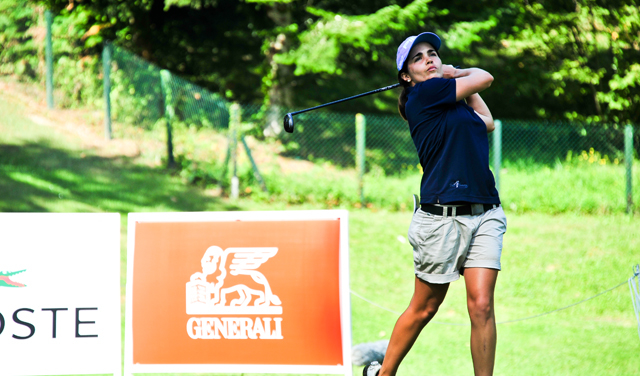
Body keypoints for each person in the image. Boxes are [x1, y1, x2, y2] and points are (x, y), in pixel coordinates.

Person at [364, 32, 507, 376]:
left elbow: (486, 122)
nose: (429, 59)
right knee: (425, 308)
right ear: (406, 77)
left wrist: (456, 79)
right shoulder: (423, 95)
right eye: (418, 58)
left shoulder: (451, 104)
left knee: (482, 305)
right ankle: (383, 373)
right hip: (441, 220)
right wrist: (455, 73)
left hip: (485, 211)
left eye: (433, 54)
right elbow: (485, 77)